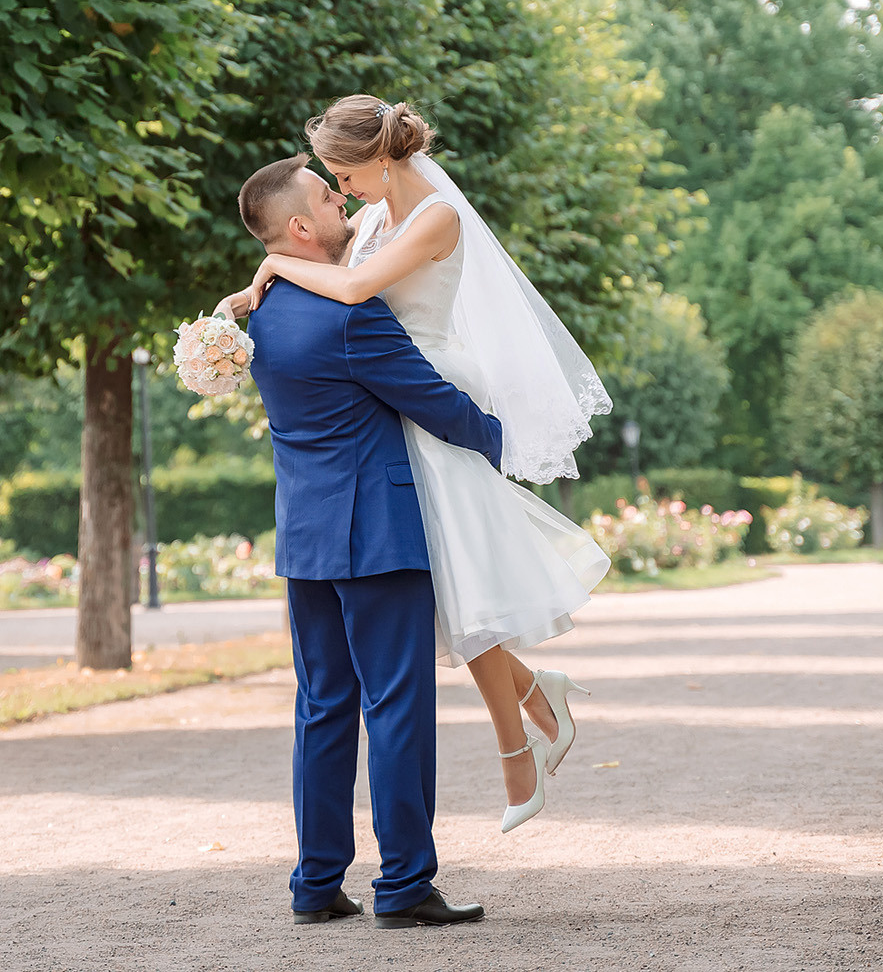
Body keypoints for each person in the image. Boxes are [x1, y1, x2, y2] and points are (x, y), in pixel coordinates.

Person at [219, 97, 611, 837]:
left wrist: (271, 263)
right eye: (331, 182)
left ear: (380, 159)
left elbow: (353, 290)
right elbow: (329, 281)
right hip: (386, 399)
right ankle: (535, 703)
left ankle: (520, 744)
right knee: (454, 593)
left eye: (343, 175)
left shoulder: (437, 217)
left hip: (425, 393)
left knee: (465, 586)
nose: (342, 191)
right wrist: (255, 293)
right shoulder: (370, 219)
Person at [237, 154, 496, 929]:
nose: (341, 201)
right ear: (300, 227)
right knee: (397, 708)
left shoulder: (265, 313)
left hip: (306, 537)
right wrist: (505, 439)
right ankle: (405, 884)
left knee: (322, 707)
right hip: (379, 536)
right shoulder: (354, 314)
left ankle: (316, 883)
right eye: (327, 196)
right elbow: (434, 402)